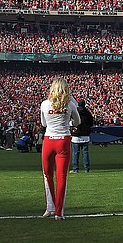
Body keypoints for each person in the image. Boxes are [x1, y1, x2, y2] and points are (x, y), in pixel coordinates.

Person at [40, 77, 80, 220]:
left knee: (47, 175)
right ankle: (58, 212)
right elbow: (78, 121)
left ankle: (49, 207)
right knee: (61, 177)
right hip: (63, 140)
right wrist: (67, 121)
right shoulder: (70, 104)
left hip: (49, 140)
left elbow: (43, 123)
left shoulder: (44, 104)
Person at [71, 99, 93, 173]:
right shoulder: (88, 113)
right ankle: (86, 169)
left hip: (76, 135)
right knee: (85, 153)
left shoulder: (75, 112)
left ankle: (75, 169)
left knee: (75, 153)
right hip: (85, 135)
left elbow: (71, 122)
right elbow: (91, 123)